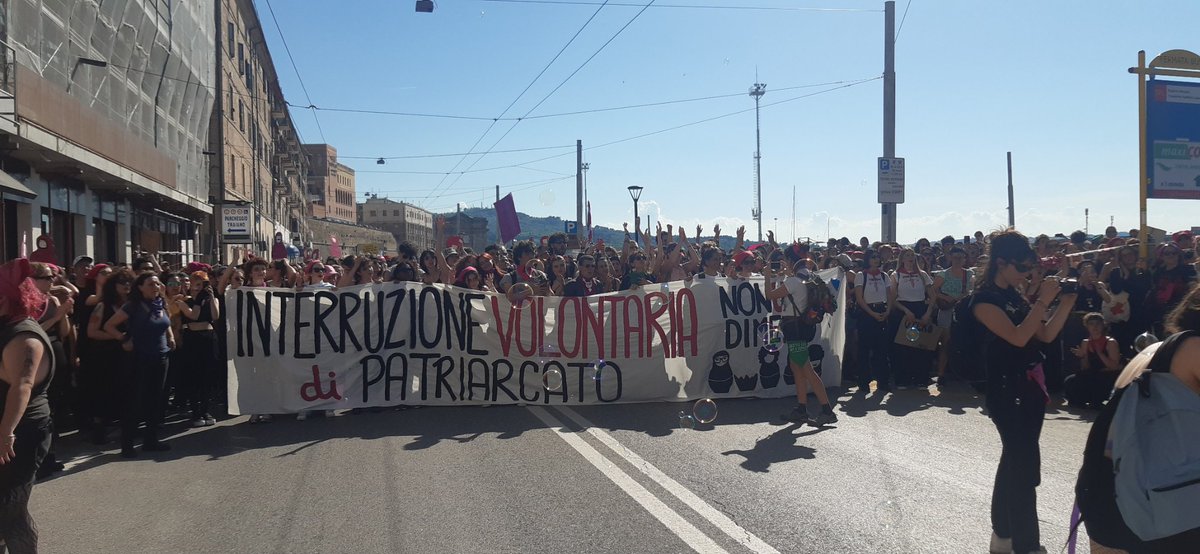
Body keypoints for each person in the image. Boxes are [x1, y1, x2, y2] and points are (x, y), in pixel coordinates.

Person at [972, 230, 1077, 554]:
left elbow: (1044, 334)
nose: (1025, 275)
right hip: (1006, 391)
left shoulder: (1014, 296)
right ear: (1001, 263)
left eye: (1029, 269)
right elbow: (1017, 337)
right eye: (1021, 268)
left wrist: (1066, 302)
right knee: (1024, 467)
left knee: (1014, 461)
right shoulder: (984, 300)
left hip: (1030, 387)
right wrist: (1043, 299)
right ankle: (1027, 545)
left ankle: (1002, 536)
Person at [0, 259, 55, 554]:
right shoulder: (7, 326)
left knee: (11, 511)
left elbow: (21, 386)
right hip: (8, 431)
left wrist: (6, 432)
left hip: (20, 434)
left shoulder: (23, 337)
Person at [102, 272, 176, 458]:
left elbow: (165, 322)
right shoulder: (132, 305)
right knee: (135, 401)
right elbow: (109, 325)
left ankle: (151, 441)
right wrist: (123, 339)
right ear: (140, 287)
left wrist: (170, 337)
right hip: (140, 358)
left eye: (157, 284)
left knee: (155, 400)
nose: (155, 287)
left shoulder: (160, 303)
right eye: (150, 284)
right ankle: (127, 445)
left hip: (161, 357)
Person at [763, 245, 837, 426]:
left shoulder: (794, 281)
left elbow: (769, 295)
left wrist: (767, 276)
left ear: (790, 260)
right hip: (803, 325)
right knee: (796, 366)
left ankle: (827, 410)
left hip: (794, 327)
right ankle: (801, 408)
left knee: (806, 369)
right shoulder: (810, 277)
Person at [173, 271, 220, 427]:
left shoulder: (210, 299)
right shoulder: (184, 300)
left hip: (209, 337)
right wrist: (198, 300)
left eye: (203, 284)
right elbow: (193, 315)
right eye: (197, 284)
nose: (200, 287)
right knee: (193, 376)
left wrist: (211, 296)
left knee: (207, 376)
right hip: (192, 338)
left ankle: (205, 409)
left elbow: (215, 316)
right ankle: (195, 411)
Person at [889, 248, 935, 389]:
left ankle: (921, 379)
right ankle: (903, 379)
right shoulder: (896, 275)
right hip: (903, 310)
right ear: (902, 258)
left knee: (921, 345)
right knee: (902, 346)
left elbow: (933, 296)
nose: (910, 258)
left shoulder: (922, 274)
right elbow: (892, 298)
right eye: (907, 255)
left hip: (920, 308)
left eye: (912, 255)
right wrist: (906, 311)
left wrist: (927, 313)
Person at [1062, 313, 1121, 409]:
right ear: (1087, 326)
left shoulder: (1111, 342)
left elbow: (1114, 367)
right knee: (1071, 380)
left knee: (1098, 381)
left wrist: (1100, 353)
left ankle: (1097, 401)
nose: (1095, 327)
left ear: (1103, 325)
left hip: (1107, 374)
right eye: (1091, 324)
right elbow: (1085, 367)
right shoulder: (1085, 342)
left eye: (1098, 324)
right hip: (1092, 373)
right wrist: (1083, 356)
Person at [854, 250, 893, 392]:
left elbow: (889, 295)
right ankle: (864, 381)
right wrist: (872, 314)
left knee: (882, 349)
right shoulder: (861, 275)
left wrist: (887, 311)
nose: (876, 260)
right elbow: (859, 298)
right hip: (867, 313)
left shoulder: (884, 276)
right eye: (873, 257)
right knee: (864, 349)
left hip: (882, 310)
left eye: (877, 257)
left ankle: (883, 381)